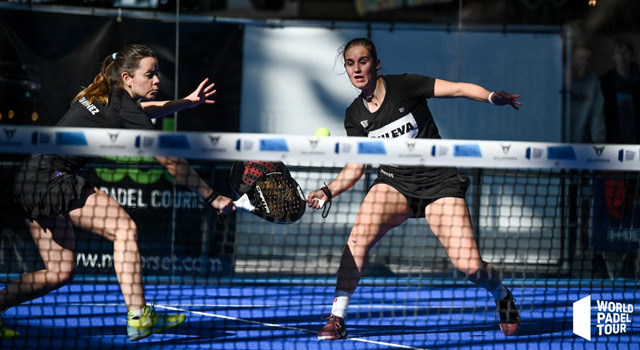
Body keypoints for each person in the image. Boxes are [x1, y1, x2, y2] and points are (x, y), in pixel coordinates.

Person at [0, 44, 236, 341]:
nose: (156, 81)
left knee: (59, 272)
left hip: (30, 178)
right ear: (127, 77)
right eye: (149, 75)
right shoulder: (122, 104)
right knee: (124, 230)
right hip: (52, 179)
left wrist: (185, 103)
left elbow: (145, 110)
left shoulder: (104, 94)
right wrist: (212, 196)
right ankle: (139, 317)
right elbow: (171, 160)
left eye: (157, 74)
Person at [306, 37, 522, 340]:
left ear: (376, 64)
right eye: (350, 63)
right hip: (394, 184)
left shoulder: (406, 85)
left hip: (440, 182)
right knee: (357, 239)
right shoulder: (354, 115)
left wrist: (489, 97)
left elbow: (458, 88)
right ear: (346, 68)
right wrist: (327, 191)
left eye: (363, 61)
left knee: (469, 266)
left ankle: (502, 295)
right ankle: (337, 317)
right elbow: (356, 167)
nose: (357, 69)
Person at [600, 35, 640, 144]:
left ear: (631, 54)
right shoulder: (605, 82)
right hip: (614, 141)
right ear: (613, 56)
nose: (622, 57)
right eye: (618, 52)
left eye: (625, 52)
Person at [567, 44, 606, 143]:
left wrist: (598, 143)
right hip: (555, 140)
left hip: (581, 144)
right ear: (572, 59)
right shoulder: (559, 79)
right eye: (581, 59)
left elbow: (597, 115)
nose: (584, 63)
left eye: (588, 60)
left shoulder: (593, 82)